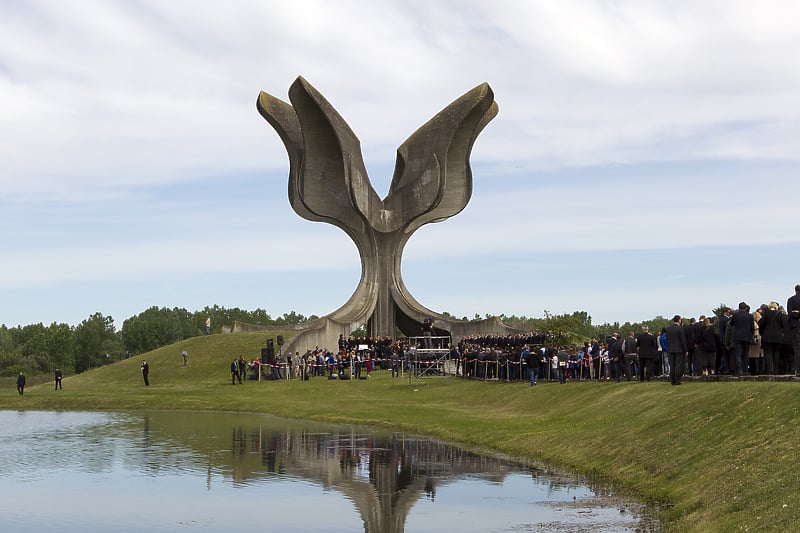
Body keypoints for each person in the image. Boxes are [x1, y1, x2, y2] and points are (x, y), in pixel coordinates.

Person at [730, 302, 754, 376]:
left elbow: (731, 323)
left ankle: (739, 370)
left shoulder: (736, 315)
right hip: (747, 336)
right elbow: (752, 328)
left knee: (738, 354)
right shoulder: (750, 316)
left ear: (739, 307)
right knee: (746, 354)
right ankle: (745, 370)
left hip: (738, 337)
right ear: (746, 308)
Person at [666, 315, 688, 386]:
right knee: (678, 366)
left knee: (672, 366)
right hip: (679, 349)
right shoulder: (680, 328)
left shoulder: (668, 329)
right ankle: (677, 380)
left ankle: (672, 380)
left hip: (671, 349)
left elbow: (667, 340)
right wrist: (685, 350)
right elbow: (683, 340)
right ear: (679, 320)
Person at [787, 284, 800, 376]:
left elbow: (790, 313)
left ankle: (798, 370)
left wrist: (797, 313)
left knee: (797, 349)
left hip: (795, 326)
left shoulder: (791, 300)